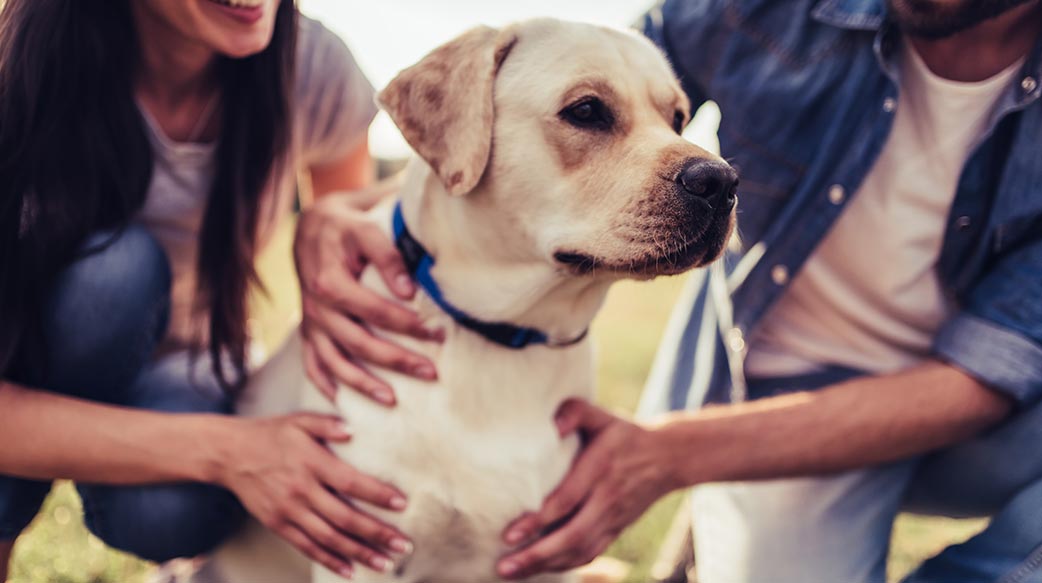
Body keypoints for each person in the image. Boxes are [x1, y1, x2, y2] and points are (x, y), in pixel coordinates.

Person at [327, 0, 1042, 581]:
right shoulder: (761, 9)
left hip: (985, 421)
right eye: (590, 115)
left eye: (678, 121)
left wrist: (669, 451)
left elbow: (986, 376)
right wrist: (341, 211)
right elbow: (558, 83)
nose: (703, 165)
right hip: (767, 389)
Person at [0, 0, 428, 578]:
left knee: (171, 509)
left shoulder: (313, 67)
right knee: (112, 278)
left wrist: (326, 222)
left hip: (186, 372)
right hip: (23, 370)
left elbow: (354, 276)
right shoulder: (16, 70)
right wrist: (232, 451)